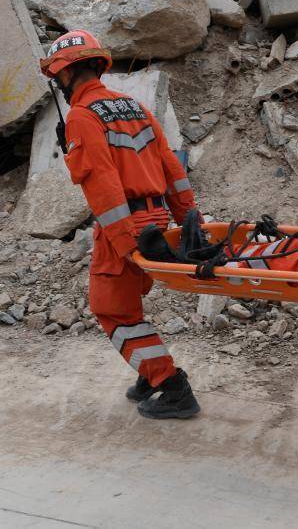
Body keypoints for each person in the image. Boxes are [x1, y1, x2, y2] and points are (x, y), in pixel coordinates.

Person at [39, 30, 202, 420]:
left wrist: (127, 241)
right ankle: (150, 372)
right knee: (128, 304)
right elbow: (171, 167)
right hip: (157, 218)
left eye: (57, 76)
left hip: (125, 224)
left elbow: (103, 185)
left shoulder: (81, 117)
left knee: (111, 310)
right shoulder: (133, 106)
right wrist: (190, 220)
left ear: (66, 74)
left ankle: (170, 384)